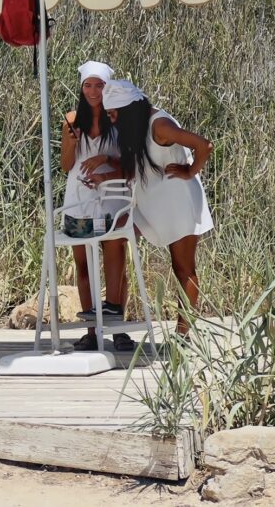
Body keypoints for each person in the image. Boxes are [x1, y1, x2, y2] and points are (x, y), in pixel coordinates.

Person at [101, 80, 213, 335]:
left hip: (179, 205)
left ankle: (182, 334)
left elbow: (204, 145)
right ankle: (114, 313)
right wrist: (105, 170)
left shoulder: (159, 125)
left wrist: (190, 170)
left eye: (113, 114)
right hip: (150, 205)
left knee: (182, 267)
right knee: (114, 237)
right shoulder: (136, 128)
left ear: (128, 108)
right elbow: (138, 166)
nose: (112, 119)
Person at [60, 61, 134, 352]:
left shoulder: (119, 118)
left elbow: (131, 164)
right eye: (88, 85)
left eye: (99, 85)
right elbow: (66, 165)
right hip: (79, 199)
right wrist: (69, 143)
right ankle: (91, 332)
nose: (93, 91)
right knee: (83, 264)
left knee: (116, 258)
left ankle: (117, 328)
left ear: (108, 87)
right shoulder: (71, 118)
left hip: (114, 198)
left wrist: (104, 160)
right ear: (81, 87)